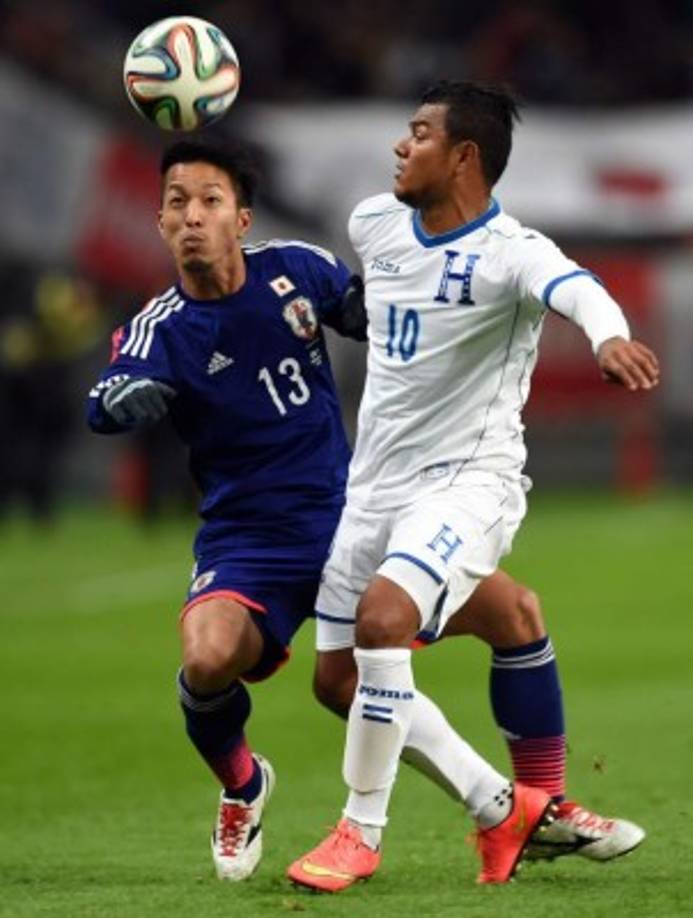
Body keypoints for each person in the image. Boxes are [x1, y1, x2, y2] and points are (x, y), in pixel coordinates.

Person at [86, 139, 554, 886]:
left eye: (210, 201)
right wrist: (115, 403)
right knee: (206, 662)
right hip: (250, 541)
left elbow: (367, 312)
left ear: (241, 218)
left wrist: (416, 294)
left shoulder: (295, 269)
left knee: (514, 614)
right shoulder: (161, 326)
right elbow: (108, 392)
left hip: (351, 517)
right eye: (177, 204)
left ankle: (545, 803)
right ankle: (243, 785)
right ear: (160, 223)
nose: (193, 217)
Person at [287, 80, 659, 892]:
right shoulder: (373, 223)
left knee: (384, 623)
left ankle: (359, 832)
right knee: (337, 681)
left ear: (463, 156)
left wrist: (609, 338)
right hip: (373, 489)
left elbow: (578, 289)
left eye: (417, 133)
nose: (398, 146)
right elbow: (376, 301)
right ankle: (511, 809)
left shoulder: (510, 252)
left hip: (467, 485)